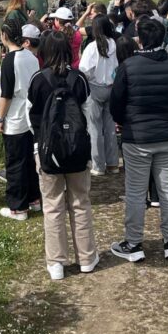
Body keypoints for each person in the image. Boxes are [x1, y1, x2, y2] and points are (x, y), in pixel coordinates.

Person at [110, 17, 168, 263]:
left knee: (135, 192)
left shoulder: (129, 66)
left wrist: (123, 120)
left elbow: (116, 103)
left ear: (141, 40)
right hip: (167, 135)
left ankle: (134, 244)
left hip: (137, 137)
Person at [28, 31, 99, 280]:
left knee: (53, 206)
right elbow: (88, 115)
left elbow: (32, 118)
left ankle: (56, 263)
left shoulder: (38, 80)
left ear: (45, 51)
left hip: (48, 152)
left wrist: (39, 144)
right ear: (69, 51)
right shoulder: (78, 79)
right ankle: (87, 258)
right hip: (78, 150)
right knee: (81, 202)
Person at [0, 20, 43, 220]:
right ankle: (34, 199)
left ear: (4, 36)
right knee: (29, 160)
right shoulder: (31, 57)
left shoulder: (9, 61)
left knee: (14, 164)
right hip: (30, 116)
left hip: (14, 117)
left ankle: (18, 208)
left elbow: (6, 95)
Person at [78, 14, 120, 176]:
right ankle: (113, 164)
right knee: (110, 128)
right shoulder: (113, 44)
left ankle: (98, 166)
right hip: (110, 88)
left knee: (94, 128)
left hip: (94, 89)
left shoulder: (91, 47)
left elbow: (84, 70)